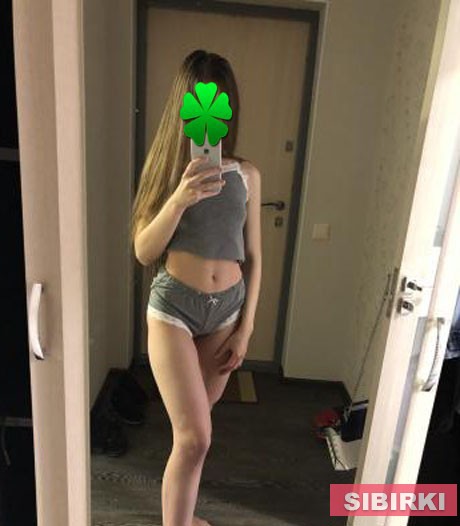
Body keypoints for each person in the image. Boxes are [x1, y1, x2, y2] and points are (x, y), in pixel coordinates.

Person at [131, 49, 262, 526]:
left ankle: (182, 519)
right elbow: (144, 250)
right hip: (174, 311)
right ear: (183, 108)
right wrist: (179, 199)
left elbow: (254, 257)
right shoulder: (168, 172)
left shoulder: (246, 175)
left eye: (219, 103)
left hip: (226, 313)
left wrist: (246, 330)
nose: (209, 116)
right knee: (194, 438)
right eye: (199, 103)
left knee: (193, 437)